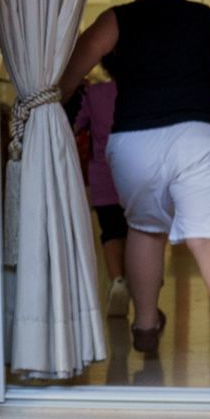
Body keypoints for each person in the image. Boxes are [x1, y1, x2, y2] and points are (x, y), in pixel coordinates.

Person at [60, 0, 210, 382]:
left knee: (145, 230)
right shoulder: (203, 16)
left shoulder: (116, 18)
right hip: (199, 135)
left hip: (135, 141)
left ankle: (145, 324)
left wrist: (50, 102)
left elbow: (74, 68)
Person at [72, 73, 130, 319]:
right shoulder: (140, 87)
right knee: (139, 232)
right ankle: (141, 285)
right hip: (136, 174)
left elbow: (76, 125)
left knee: (111, 232)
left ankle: (118, 281)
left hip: (104, 177)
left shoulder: (94, 94)